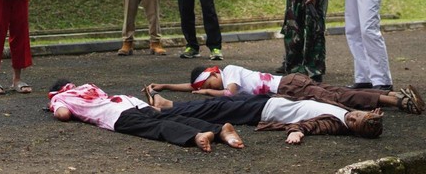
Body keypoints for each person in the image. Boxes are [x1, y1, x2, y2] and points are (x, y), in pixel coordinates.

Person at [48, 79, 244, 153]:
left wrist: (54, 107)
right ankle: (220, 130)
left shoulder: (59, 98)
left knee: (156, 127)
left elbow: (64, 115)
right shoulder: (87, 86)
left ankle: (196, 136)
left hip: (114, 114)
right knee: (170, 118)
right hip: (129, 101)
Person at [147, 65, 424, 114]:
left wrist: (210, 93)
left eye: (209, 83)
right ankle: (395, 97)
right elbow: (193, 86)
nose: (210, 88)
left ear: (213, 73)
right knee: (338, 92)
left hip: (290, 87)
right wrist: (166, 86)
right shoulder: (218, 76)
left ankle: (397, 101)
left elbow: (229, 93)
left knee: (338, 97)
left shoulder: (229, 72)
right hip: (291, 84)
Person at [147, 93, 385, 144]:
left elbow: (312, 124)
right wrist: (371, 114)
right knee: (216, 103)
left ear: (353, 130)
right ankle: (170, 105)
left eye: (356, 123)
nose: (353, 117)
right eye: (359, 116)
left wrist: (297, 131)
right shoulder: (344, 111)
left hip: (264, 112)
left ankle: (165, 111)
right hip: (273, 100)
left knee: (216, 109)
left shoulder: (336, 124)